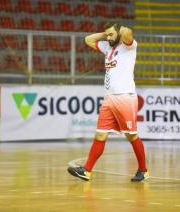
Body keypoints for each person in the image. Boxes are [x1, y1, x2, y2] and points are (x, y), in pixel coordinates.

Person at [67, 22, 149, 182]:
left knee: (131, 136)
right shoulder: (107, 47)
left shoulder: (129, 47)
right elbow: (88, 40)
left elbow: (128, 34)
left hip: (125, 97)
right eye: (107, 35)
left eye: (112, 34)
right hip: (109, 98)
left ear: (119, 33)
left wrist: (119, 31)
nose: (109, 37)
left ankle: (143, 170)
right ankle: (86, 171)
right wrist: (106, 35)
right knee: (100, 134)